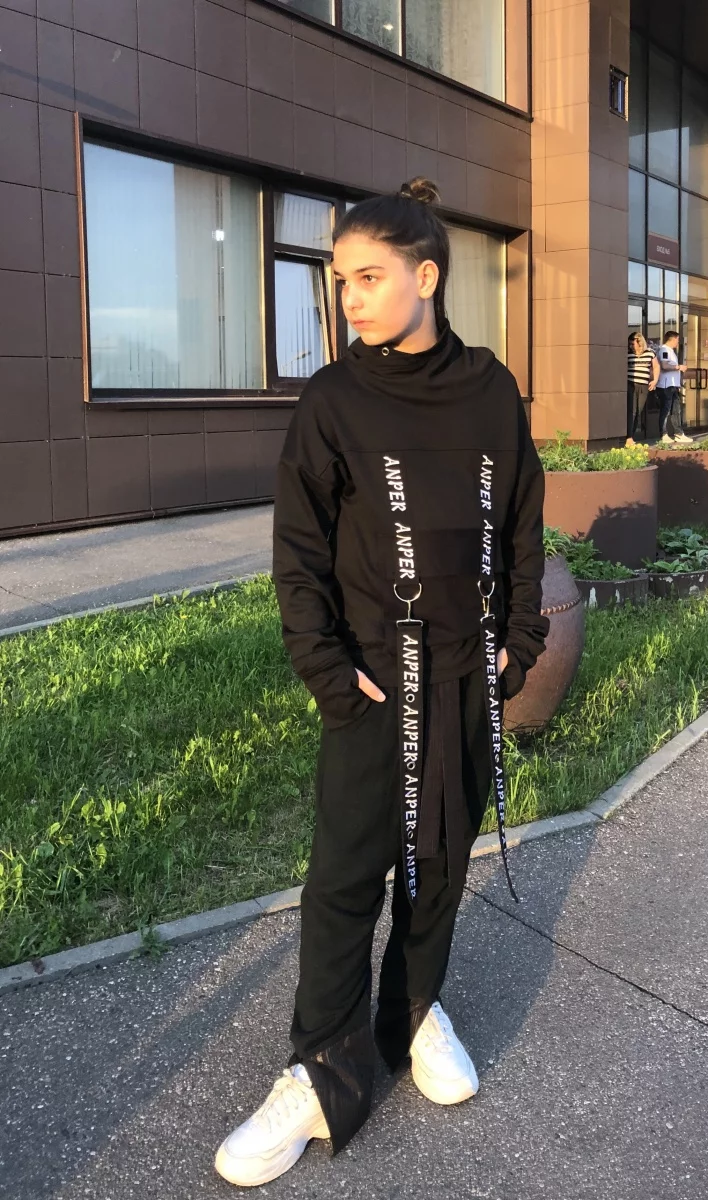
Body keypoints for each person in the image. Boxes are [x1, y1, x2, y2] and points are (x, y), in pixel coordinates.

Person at [214, 178, 549, 1189]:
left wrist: (518, 642)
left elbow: (522, 526)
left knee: (437, 864)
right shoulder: (334, 402)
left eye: (369, 277)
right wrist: (327, 669)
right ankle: (318, 1068)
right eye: (341, 280)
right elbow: (299, 553)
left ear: (426, 276)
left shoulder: (490, 390)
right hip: (371, 685)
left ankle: (411, 1012)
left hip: (466, 677)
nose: (349, 298)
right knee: (346, 876)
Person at [656, 330, 693, 445]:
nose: (678, 342)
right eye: (677, 339)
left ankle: (678, 433)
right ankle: (663, 434)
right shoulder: (664, 350)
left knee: (676, 410)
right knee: (666, 410)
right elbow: (664, 365)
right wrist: (678, 367)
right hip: (666, 385)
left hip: (673, 385)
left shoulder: (670, 351)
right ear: (672, 339)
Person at [625, 331, 659, 445]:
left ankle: (631, 436)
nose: (631, 346)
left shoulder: (650, 353)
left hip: (644, 386)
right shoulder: (628, 353)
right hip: (631, 384)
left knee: (638, 411)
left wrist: (655, 380)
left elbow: (656, 366)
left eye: (632, 344)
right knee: (632, 411)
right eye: (630, 344)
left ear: (640, 342)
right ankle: (629, 437)